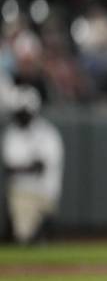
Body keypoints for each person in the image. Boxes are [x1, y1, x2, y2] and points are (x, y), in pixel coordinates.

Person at [2, 86, 64, 244]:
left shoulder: (47, 132)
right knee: (23, 237)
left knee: (31, 233)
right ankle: (35, 231)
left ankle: (43, 225)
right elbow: (10, 168)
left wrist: (27, 167)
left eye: (24, 111)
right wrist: (30, 166)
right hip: (22, 193)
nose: (21, 115)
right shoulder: (12, 134)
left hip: (46, 192)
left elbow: (42, 167)